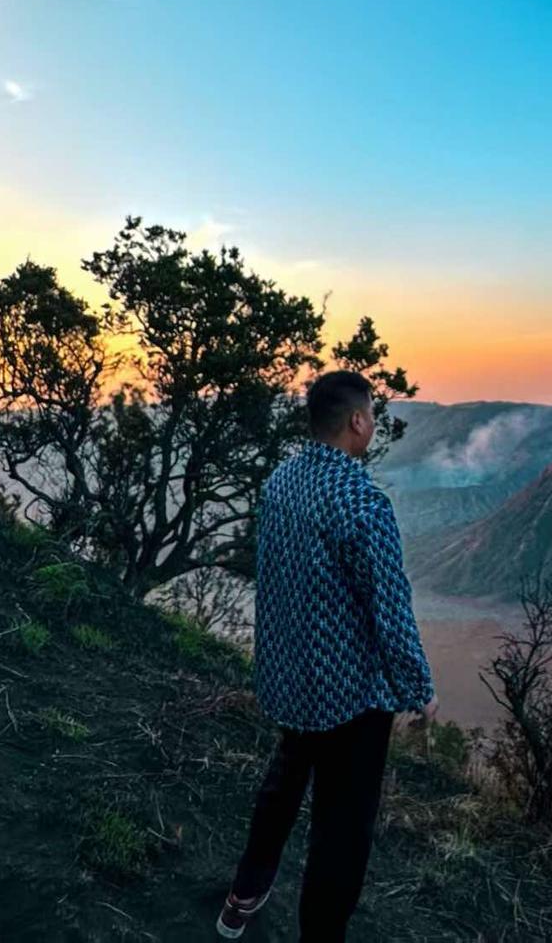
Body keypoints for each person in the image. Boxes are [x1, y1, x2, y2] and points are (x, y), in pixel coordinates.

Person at [216, 370, 438, 940]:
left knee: (284, 782)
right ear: (358, 422)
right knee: (342, 830)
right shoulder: (363, 503)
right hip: (350, 696)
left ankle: (243, 894)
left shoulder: (282, 480)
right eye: (371, 416)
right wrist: (418, 687)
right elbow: (390, 608)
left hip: (292, 676)